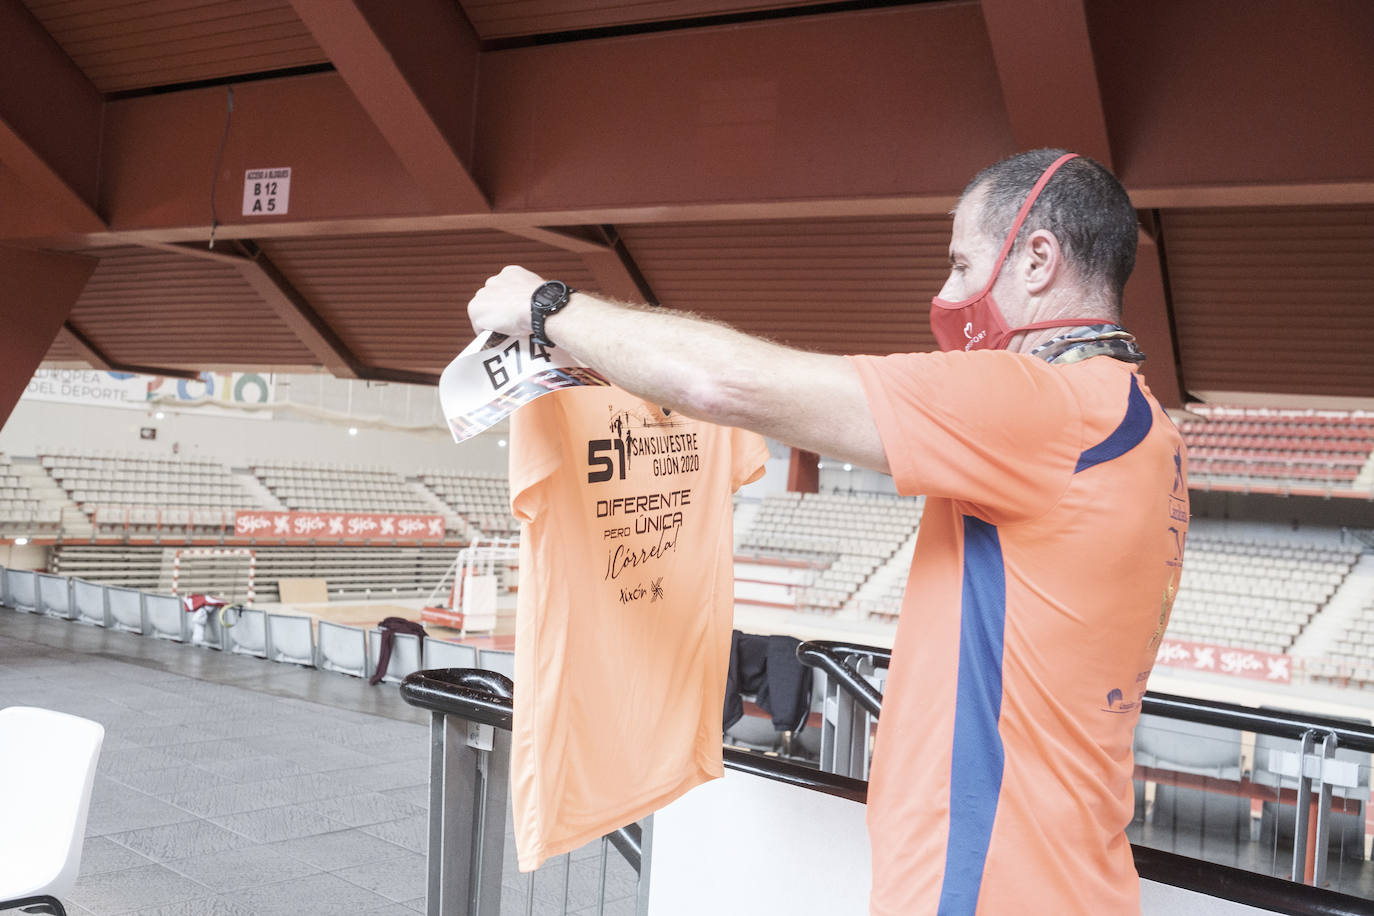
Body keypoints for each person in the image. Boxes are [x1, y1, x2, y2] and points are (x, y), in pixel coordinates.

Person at [467, 149, 1187, 916]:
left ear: (1037, 258)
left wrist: (548, 307)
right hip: (1078, 882)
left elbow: (725, 384)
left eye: (961, 264)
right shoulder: (1147, 430)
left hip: (983, 892)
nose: (945, 294)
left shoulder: (1041, 404)